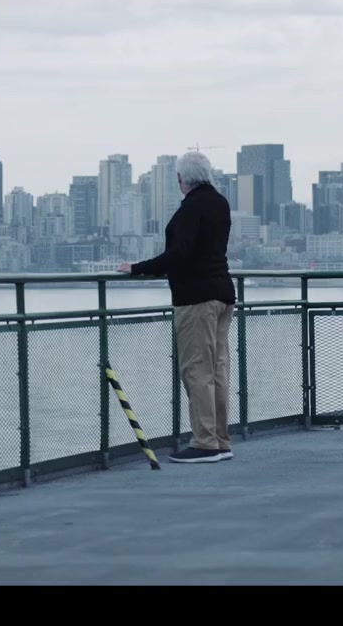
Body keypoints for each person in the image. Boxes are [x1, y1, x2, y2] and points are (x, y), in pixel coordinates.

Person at [118, 150, 236, 464]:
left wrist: (138, 268)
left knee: (197, 370)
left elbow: (178, 254)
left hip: (196, 299)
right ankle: (220, 440)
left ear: (181, 178)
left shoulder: (191, 208)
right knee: (217, 370)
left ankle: (205, 443)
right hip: (223, 295)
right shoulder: (220, 203)